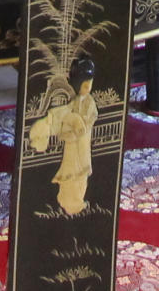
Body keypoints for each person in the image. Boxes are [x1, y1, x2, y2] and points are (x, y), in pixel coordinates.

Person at [21, 54, 110, 214]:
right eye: (84, 85)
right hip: (71, 143)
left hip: (82, 142)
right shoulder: (75, 102)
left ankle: (77, 201)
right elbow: (66, 114)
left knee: (81, 173)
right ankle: (66, 200)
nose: (88, 87)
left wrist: (79, 123)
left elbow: (90, 118)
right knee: (69, 173)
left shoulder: (89, 102)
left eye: (89, 84)